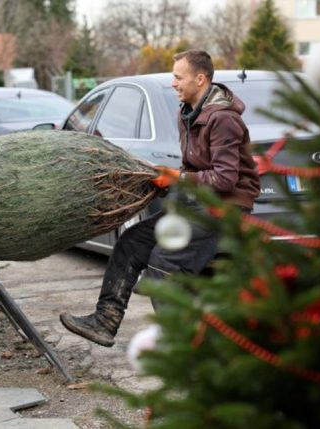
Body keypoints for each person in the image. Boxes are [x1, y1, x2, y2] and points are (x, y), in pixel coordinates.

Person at [59, 50, 260, 347]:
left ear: (200, 79)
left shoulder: (223, 120)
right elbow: (194, 169)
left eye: (179, 77)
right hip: (194, 207)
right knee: (130, 245)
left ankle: (183, 350)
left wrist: (177, 178)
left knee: (164, 265)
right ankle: (105, 321)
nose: (174, 83)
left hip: (222, 212)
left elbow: (225, 179)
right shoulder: (188, 113)